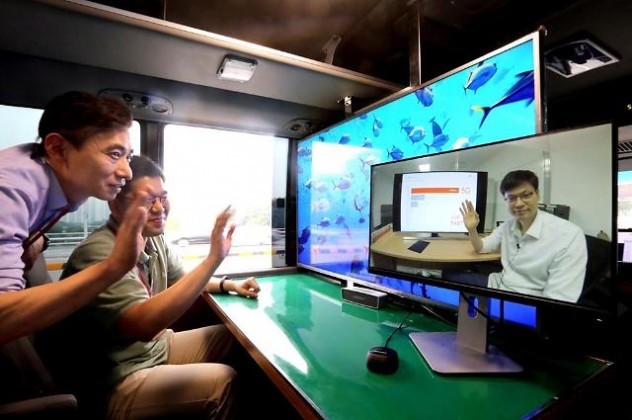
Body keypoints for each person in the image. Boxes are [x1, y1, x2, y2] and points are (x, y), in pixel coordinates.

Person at [42, 155, 260, 419]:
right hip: (115, 378)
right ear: (116, 204)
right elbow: (144, 326)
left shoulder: (153, 238)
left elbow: (184, 280)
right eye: (148, 199)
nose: (159, 208)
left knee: (235, 339)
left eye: (163, 197)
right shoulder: (98, 253)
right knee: (222, 381)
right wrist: (213, 258)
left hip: (154, 349)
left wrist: (230, 285)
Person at [0, 91, 148, 345]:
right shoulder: (11, 189)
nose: (127, 171)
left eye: (128, 157)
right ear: (58, 148)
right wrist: (114, 266)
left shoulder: (54, 182)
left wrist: (37, 239)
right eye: (114, 154)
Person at [459, 169, 587, 303]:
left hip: (526, 302)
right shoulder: (507, 226)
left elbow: (558, 302)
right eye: (512, 198)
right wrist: (472, 229)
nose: (519, 203)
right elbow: (481, 247)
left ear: (537, 194)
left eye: (526, 195)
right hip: (498, 285)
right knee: (449, 276)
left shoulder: (568, 236)